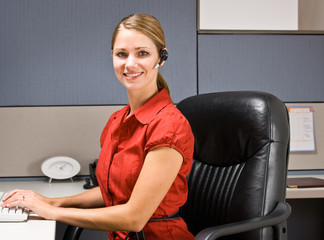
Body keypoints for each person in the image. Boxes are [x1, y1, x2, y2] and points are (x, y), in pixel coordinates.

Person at [2, 13, 195, 240]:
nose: (130, 63)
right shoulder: (117, 120)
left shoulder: (169, 125)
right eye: (121, 54)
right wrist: (51, 201)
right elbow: (112, 193)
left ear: (161, 58)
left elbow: (134, 218)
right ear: (112, 56)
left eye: (142, 53)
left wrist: (53, 212)